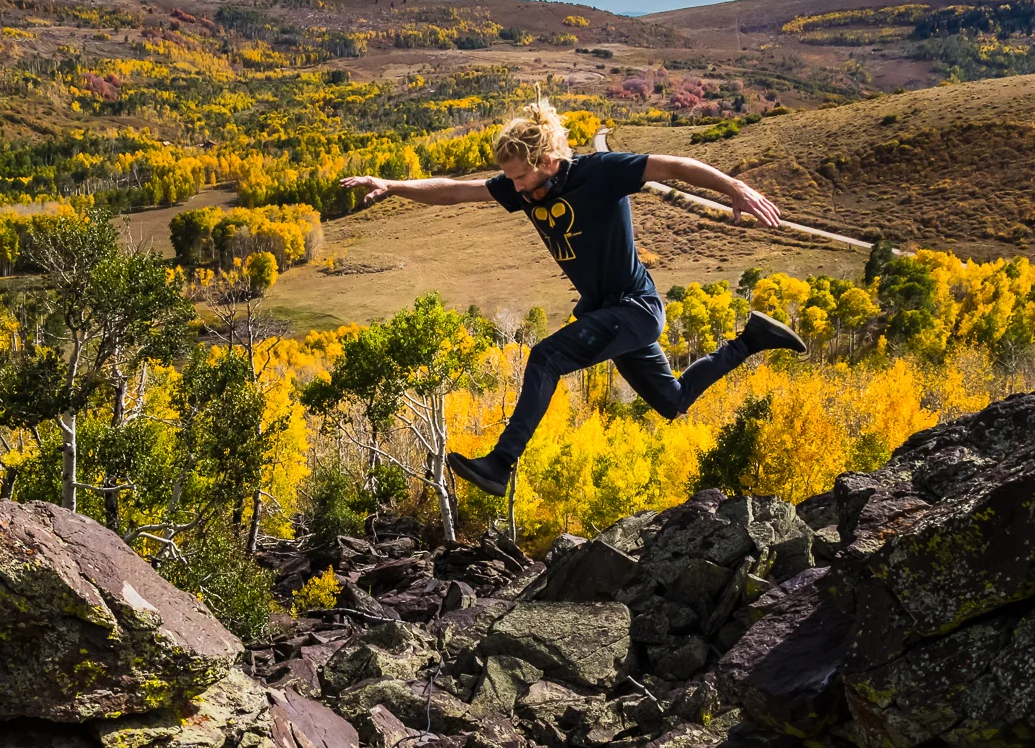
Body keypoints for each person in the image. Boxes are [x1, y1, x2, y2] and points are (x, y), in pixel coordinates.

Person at [338, 98, 806, 496]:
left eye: (521, 179)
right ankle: (752, 339)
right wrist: (392, 186)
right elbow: (453, 192)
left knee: (545, 358)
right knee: (672, 401)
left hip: (635, 309)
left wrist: (736, 188)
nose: (516, 190)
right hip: (609, 314)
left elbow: (672, 165)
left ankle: (501, 464)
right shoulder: (521, 188)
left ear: (547, 161)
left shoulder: (601, 173)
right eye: (512, 182)